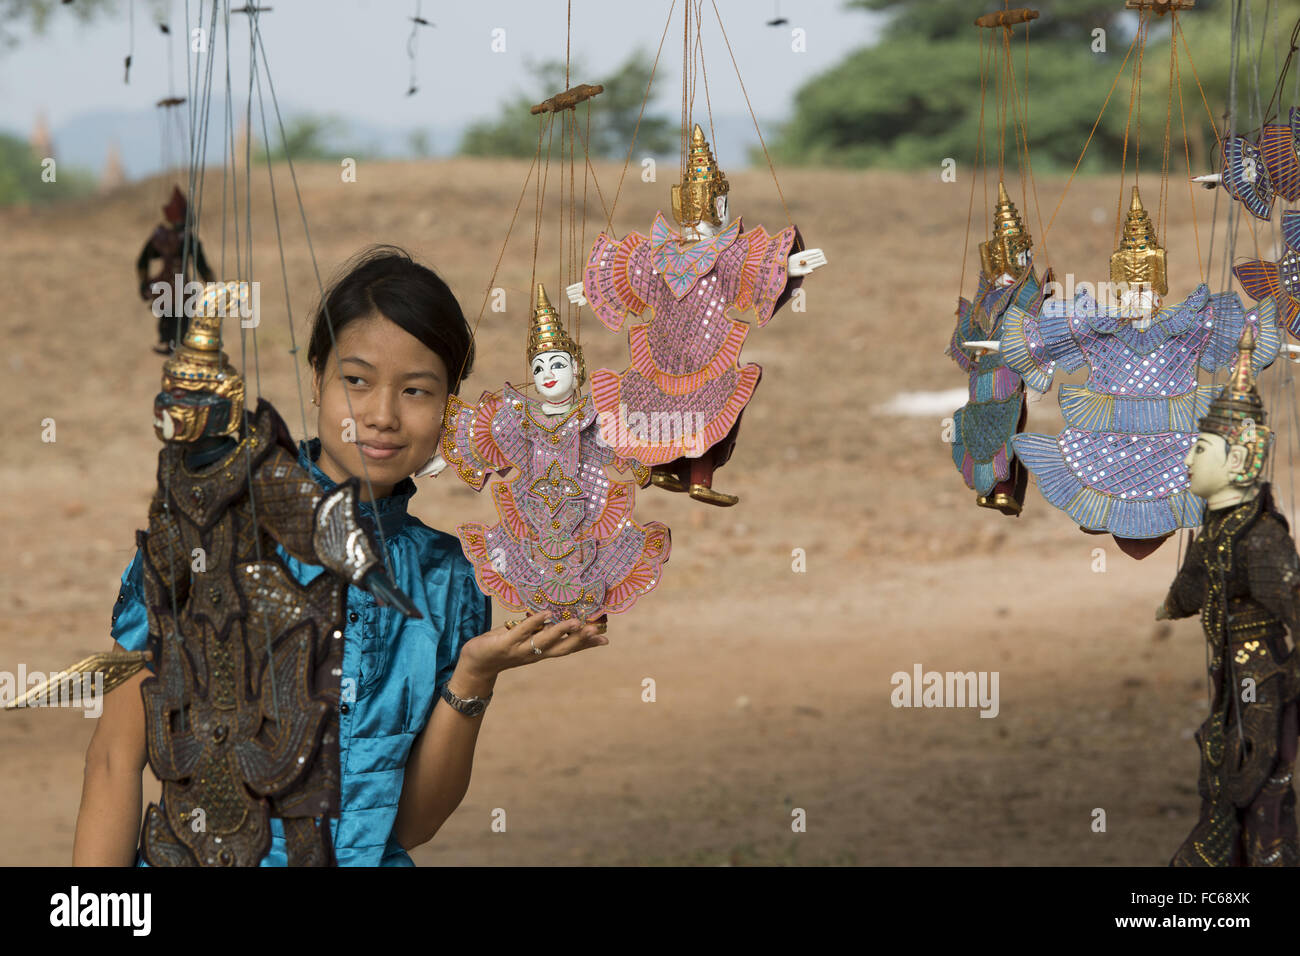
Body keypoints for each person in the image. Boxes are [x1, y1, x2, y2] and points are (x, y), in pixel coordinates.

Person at [75, 246, 607, 866]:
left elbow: (409, 825)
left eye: (415, 390)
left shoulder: (449, 579)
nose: (381, 416)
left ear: (450, 407)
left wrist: (474, 676)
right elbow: (115, 760)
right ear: (316, 377)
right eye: (356, 381)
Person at [1159, 328, 1300, 866]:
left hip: (1260, 674)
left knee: (1260, 783)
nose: (1189, 460)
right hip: (1228, 673)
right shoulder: (1219, 528)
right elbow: (1194, 579)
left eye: (1200, 448)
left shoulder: (1261, 538)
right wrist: (1173, 603)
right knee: (1221, 766)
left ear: (1241, 458)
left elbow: (1292, 602)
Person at [136, 186, 215, 355]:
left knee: (173, 314)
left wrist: (144, 281)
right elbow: (202, 266)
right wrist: (212, 284)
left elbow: (142, 261)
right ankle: (175, 343)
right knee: (180, 314)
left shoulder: (161, 237)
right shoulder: (186, 239)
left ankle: (173, 343)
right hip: (178, 287)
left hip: (166, 285)